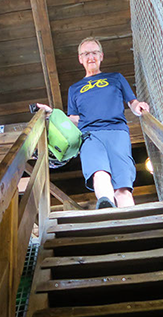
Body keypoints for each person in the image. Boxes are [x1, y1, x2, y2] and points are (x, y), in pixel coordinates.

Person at [37, 37, 149, 209]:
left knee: (123, 188)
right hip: (90, 136)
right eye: (86, 54)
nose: (91, 57)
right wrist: (52, 114)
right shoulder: (74, 89)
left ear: (101, 56)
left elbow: (132, 103)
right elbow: (74, 119)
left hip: (117, 132)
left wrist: (139, 106)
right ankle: (106, 206)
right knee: (99, 173)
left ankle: (129, 219)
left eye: (95, 53)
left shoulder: (116, 78)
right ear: (80, 59)